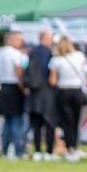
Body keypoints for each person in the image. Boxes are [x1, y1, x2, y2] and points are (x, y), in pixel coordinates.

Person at [47, 35, 87, 162]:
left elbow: (53, 81)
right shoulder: (80, 56)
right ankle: (75, 147)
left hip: (64, 91)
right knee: (76, 121)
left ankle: (70, 149)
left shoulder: (56, 60)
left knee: (67, 122)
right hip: (77, 90)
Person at [25, 31, 57, 161]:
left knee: (36, 124)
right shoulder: (50, 53)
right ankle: (49, 151)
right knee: (49, 123)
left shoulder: (32, 52)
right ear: (45, 38)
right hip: (48, 92)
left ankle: (37, 150)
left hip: (34, 92)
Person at [0, 32, 27, 159]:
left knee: (7, 121)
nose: (21, 42)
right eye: (19, 39)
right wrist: (23, 89)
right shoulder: (16, 54)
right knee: (16, 121)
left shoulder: (0, 53)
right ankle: (18, 150)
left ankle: (5, 149)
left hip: (3, 87)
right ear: (12, 40)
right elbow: (19, 74)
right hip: (13, 88)